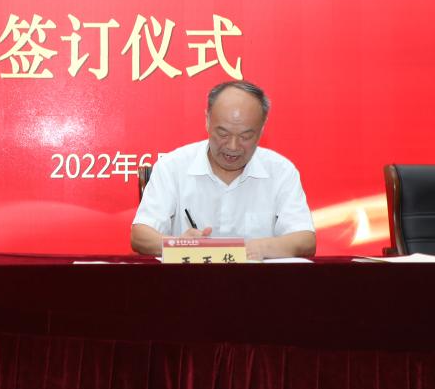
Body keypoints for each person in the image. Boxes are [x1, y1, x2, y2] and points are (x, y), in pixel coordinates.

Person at [130, 81, 315, 260]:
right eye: (223, 134)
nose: (233, 146)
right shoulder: (173, 166)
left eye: (245, 136)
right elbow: (140, 235)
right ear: (207, 121)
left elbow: (305, 240)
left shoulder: (281, 171)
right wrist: (180, 244)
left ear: (262, 129)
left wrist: (257, 248)